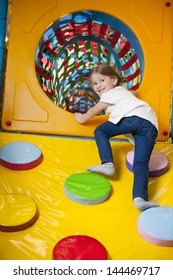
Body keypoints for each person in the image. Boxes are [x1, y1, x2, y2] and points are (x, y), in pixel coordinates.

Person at [74, 63, 159, 211]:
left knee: (100, 131)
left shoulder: (110, 94)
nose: (98, 86)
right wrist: (129, 91)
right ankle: (140, 199)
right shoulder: (122, 91)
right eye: (94, 83)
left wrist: (81, 118)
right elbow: (135, 93)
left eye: (102, 80)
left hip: (134, 118)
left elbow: (95, 110)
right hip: (151, 125)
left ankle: (107, 163)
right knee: (141, 164)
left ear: (114, 81)